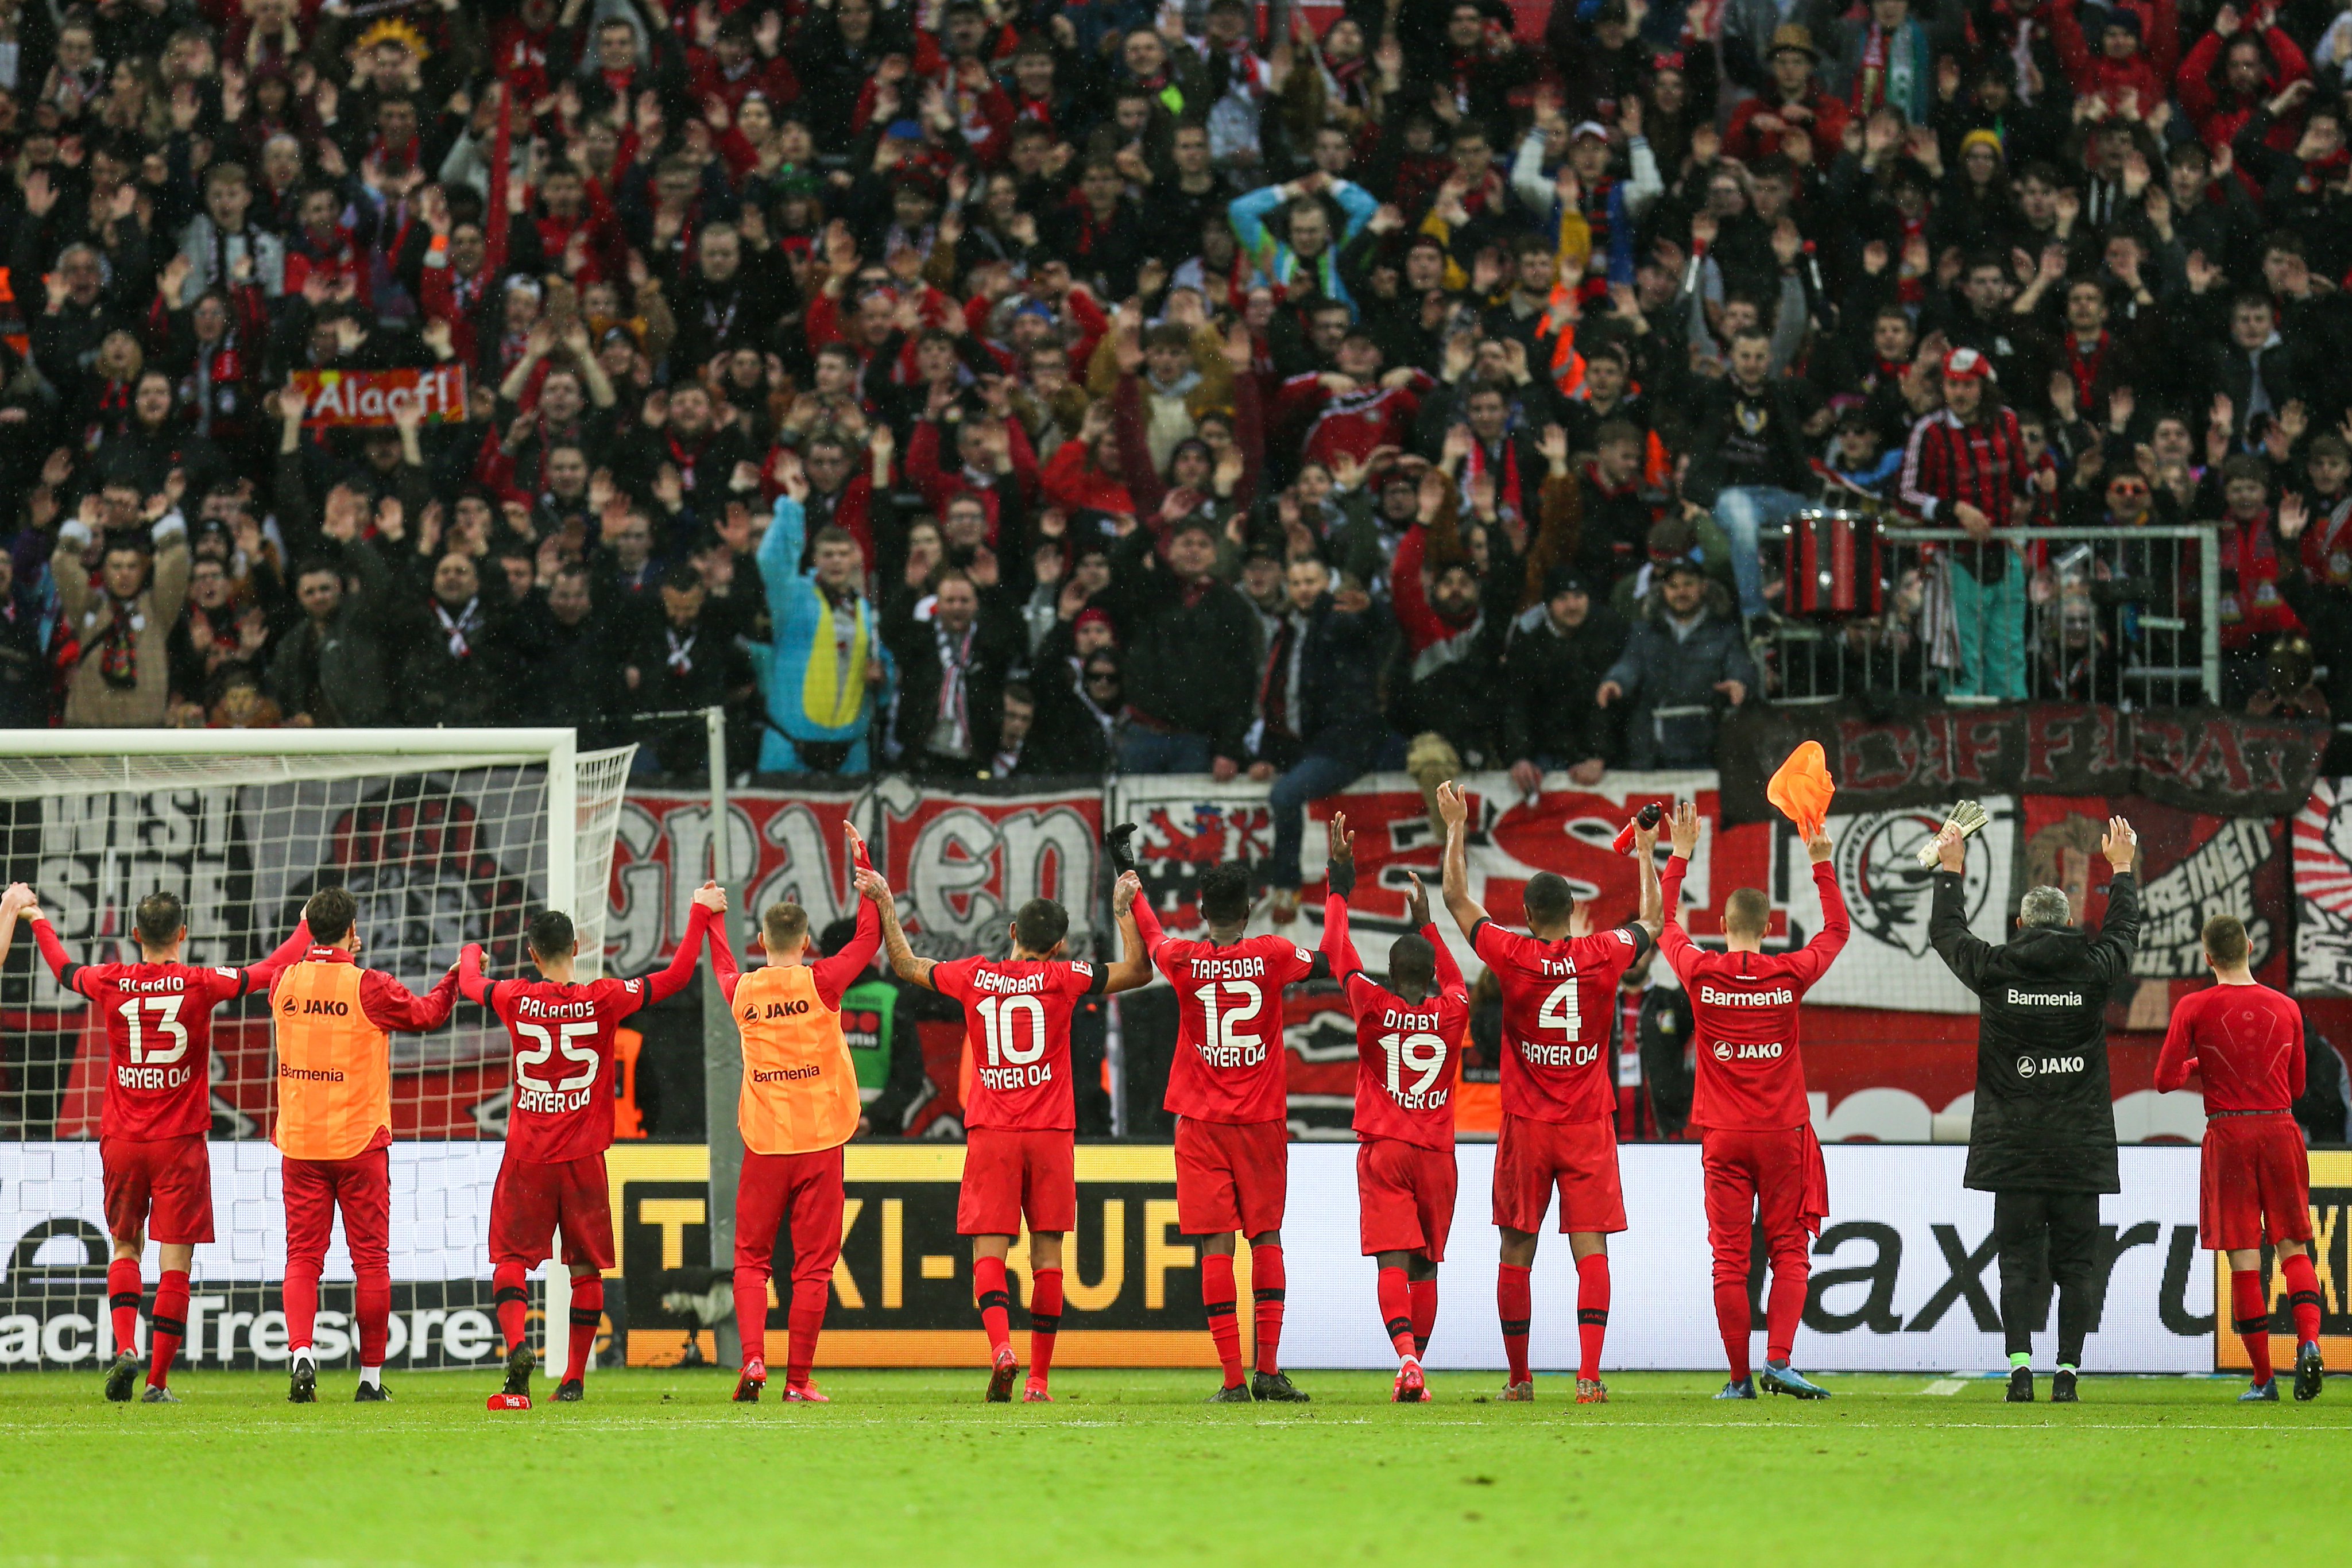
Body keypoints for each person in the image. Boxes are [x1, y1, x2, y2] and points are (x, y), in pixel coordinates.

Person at [857, 864, 1152, 1401]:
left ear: (1012, 934)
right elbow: (1139, 970)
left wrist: (883, 900)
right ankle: (1038, 1379)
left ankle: (1001, 1349)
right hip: (1050, 1133)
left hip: (992, 1130)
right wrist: (1122, 909)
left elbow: (903, 962)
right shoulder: (1067, 977)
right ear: (1059, 944)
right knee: (1047, 1257)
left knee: (989, 1253)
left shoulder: (973, 975)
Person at [11, 886, 307, 1402]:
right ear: (183, 935)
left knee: (125, 1246)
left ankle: (126, 1344)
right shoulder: (200, 983)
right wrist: (306, 927)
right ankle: (157, 1382)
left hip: (122, 1139)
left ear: (134, 936)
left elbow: (61, 969)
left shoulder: (110, 979)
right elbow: (267, 970)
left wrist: (37, 918)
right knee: (177, 1262)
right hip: (180, 1143)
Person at [1435, 780, 1661, 1404]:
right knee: (1590, 1248)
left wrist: (1455, 824)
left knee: (1516, 1246)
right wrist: (1645, 851)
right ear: (1571, 911)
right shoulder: (1601, 952)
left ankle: (1520, 1378)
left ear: (1530, 917)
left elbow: (1454, 895)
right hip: (1588, 1122)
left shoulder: (1509, 953)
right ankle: (1588, 1378)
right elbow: (1653, 923)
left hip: (1528, 1123)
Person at [460, 888, 720, 1405]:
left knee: (511, 1258)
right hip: (583, 1157)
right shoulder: (604, 997)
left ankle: (517, 1346)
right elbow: (676, 977)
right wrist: (697, 913)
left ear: (532, 955)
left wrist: (472, 953)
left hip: (528, 1154)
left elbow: (470, 982)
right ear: (576, 947)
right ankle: (574, 1377)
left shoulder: (513, 996)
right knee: (585, 1269)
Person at [1929, 814, 2141, 1404]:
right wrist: (2120, 869)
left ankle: (2020, 1369)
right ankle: (2067, 1374)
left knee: (2018, 1263)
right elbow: (2124, 935)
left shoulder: (1998, 969)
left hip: (2014, 1147)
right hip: (2079, 1149)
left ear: (2020, 923)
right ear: (2070, 922)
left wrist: (1950, 872)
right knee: (2077, 1266)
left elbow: (1947, 936)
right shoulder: (2091, 970)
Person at [1657, 800, 1849, 1400]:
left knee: (1729, 1259)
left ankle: (1739, 1378)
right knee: (1790, 1247)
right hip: (1781, 1131)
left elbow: (1663, 924)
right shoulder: (1788, 973)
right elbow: (1837, 931)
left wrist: (1680, 855)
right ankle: (1779, 1360)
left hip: (1722, 1134)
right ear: (1768, 929)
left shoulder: (1699, 972)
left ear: (1722, 921)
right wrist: (1821, 864)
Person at [1127, 855, 1328, 1403]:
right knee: (1266, 1236)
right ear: (1247, 910)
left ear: (1201, 910)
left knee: (1216, 1248)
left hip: (1200, 1122)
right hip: (1260, 1120)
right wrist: (1337, 884)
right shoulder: (1274, 954)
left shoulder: (1183, 959)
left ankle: (1234, 1380)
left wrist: (1132, 876)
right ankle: (1268, 1371)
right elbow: (1330, 960)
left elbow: (1151, 935)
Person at [263, 886, 463, 1402]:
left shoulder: (283, 981)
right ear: (353, 930)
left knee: (302, 1258)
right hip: (358, 1144)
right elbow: (427, 1015)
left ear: (309, 927)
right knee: (370, 1260)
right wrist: (456, 977)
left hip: (302, 1143)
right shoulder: (369, 986)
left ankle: (302, 1353)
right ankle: (370, 1380)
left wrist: (311, 935)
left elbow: (292, 960)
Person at [713, 824, 883, 1404]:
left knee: (751, 1260)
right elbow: (867, 939)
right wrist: (865, 873)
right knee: (812, 1268)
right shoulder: (823, 982)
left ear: (762, 940)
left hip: (764, 1144)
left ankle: (753, 1359)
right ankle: (798, 1381)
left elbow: (718, 962)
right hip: (820, 1142)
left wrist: (712, 914)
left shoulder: (743, 991)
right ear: (807, 942)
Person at [1321, 818, 1468, 1404]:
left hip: (1385, 1150)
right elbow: (1457, 976)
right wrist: (1426, 920)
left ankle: (1406, 1358)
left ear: (1391, 974)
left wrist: (1340, 883)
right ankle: (1417, 1368)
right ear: (1429, 974)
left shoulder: (1370, 1001)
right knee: (1426, 1265)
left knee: (1391, 1258)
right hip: (1437, 1154)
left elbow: (1337, 950)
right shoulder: (1452, 1009)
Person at [2154, 915, 2326, 1401]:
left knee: (2245, 1259)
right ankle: (2310, 1342)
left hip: (2229, 1133)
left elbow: (2165, 1079)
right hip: (2279, 1126)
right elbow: (2297, 1087)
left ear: (2207, 957)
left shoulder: (2193, 1006)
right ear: (2251, 947)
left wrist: (2197, 1063)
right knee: (2293, 1245)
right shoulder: (2287, 1007)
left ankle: (2263, 1378)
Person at [756, 456, 894, 775]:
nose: (836, 561)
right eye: (828, 555)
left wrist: (882, 678)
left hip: (850, 753)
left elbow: (882, 675)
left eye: (843, 554)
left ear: (856, 558)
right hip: (789, 748)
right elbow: (772, 562)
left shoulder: (866, 611)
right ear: (815, 558)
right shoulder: (792, 597)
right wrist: (793, 504)